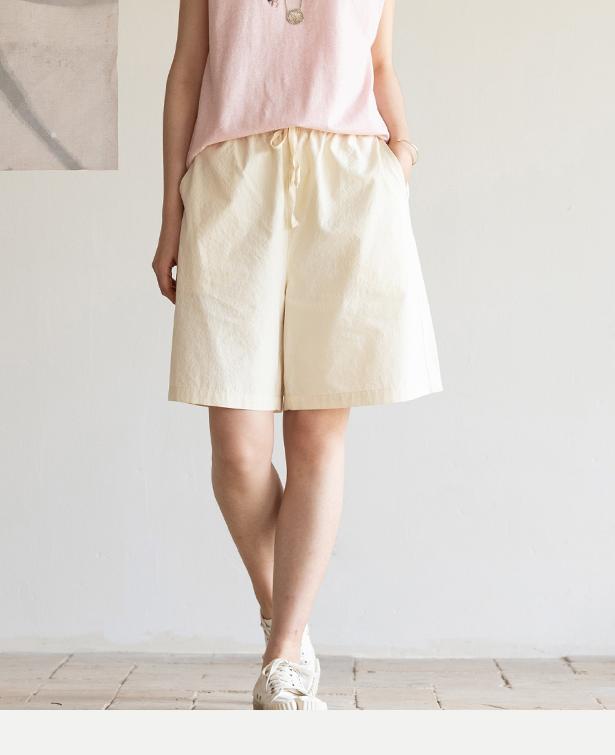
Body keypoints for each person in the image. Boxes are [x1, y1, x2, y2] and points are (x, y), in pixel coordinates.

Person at [152, 0, 442, 711]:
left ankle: (282, 656)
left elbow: (379, 63)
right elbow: (187, 70)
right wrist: (170, 215)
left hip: (347, 184)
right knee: (238, 450)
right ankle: (284, 615)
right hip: (232, 180)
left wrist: (402, 152)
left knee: (315, 435)